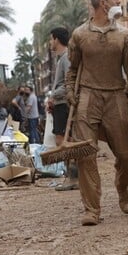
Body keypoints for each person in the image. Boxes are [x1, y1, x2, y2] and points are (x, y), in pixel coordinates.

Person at [66, 0, 128, 226]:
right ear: (103, 4)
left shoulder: (123, 35)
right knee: (86, 154)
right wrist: (71, 92)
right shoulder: (80, 35)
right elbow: (72, 70)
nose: (118, 0)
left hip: (116, 97)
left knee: (124, 155)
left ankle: (123, 187)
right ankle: (92, 209)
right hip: (88, 98)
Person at [47, 27, 78, 192]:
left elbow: (69, 84)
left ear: (56, 39)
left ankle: (73, 176)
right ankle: (72, 175)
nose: (50, 43)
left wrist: (53, 97)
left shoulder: (66, 59)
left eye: (51, 39)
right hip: (60, 104)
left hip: (63, 104)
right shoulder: (62, 59)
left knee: (63, 140)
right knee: (64, 140)